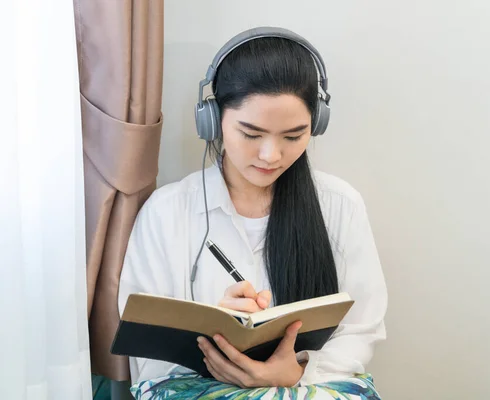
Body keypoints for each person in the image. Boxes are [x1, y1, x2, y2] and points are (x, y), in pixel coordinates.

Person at [118, 27, 388, 398]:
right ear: (212, 121)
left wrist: (295, 373)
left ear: (316, 125)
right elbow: (149, 359)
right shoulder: (167, 213)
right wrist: (210, 344)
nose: (271, 155)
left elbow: (361, 329)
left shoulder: (340, 205)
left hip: (308, 384)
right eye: (251, 133)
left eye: (293, 137)